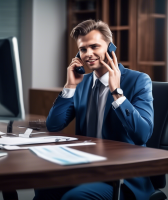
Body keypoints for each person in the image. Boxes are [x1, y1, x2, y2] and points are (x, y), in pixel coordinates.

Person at [34, 20, 155, 200]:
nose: (88, 54)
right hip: (86, 168)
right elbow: (54, 125)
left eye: (94, 46)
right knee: (43, 187)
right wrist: (70, 86)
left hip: (121, 175)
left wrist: (116, 92)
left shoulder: (138, 80)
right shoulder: (82, 84)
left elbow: (142, 135)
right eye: (83, 49)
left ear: (110, 47)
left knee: (76, 198)